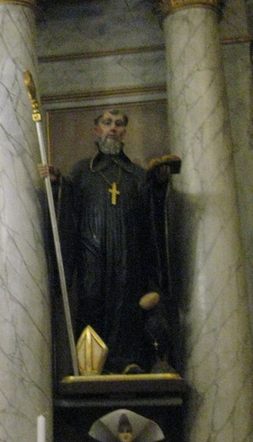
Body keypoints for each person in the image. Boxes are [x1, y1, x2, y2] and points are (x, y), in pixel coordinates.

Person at [41, 109, 175, 374]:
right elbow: (68, 210)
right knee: (92, 301)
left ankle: (129, 362)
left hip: (128, 253)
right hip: (92, 252)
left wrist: (159, 186)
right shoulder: (82, 171)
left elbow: (150, 214)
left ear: (125, 132)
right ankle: (91, 366)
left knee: (128, 304)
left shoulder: (138, 174)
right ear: (97, 131)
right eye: (107, 123)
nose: (113, 128)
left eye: (119, 124)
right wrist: (58, 185)